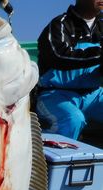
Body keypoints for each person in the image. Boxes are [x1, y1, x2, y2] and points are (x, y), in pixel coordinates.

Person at [35, 0, 102, 140]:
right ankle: (47, 158)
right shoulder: (59, 25)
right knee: (72, 119)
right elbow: (58, 57)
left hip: (94, 94)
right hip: (54, 94)